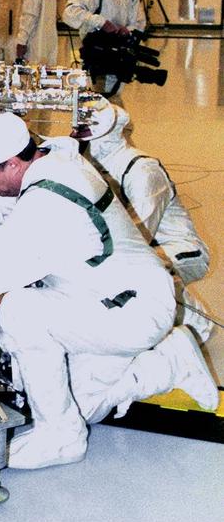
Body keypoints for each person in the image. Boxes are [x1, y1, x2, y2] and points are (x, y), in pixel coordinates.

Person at [0, 112, 218, 469]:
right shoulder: (43, 164)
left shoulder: (52, 200)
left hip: (129, 312)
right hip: (96, 303)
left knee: (20, 311)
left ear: (12, 163)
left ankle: (60, 436)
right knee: (83, 407)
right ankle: (170, 362)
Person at [80, 101, 212, 342]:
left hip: (180, 249)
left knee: (139, 270)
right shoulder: (92, 167)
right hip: (139, 244)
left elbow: (138, 235)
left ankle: (196, 324)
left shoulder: (141, 169)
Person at [63, 0, 147, 92]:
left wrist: (127, 30)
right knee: (101, 102)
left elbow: (139, 22)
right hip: (98, 58)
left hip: (120, 58)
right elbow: (70, 12)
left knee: (114, 97)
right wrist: (101, 22)